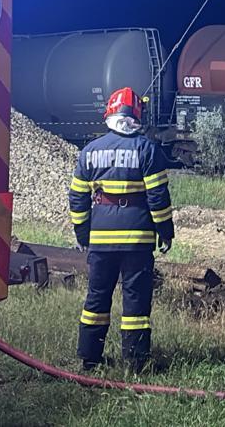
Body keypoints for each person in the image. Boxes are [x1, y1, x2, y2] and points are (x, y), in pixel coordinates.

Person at [70, 87, 174, 372]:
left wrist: (82, 233)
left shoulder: (90, 151)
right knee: (136, 300)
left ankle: (89, 359)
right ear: (135, 115)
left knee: (96, 297)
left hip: (101, 239)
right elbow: (158, 197)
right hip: (137, 239)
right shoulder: (147, 149)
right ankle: (135, 362)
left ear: (109, 114)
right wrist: (165, 231)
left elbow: (77, 197)